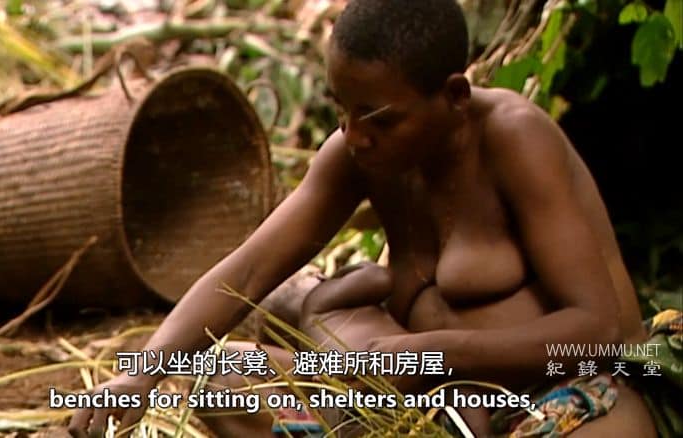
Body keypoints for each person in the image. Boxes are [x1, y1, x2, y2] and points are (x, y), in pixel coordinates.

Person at [69, 0, 657, 436]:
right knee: (225, 382)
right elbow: (246, 273)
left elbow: (599, 331)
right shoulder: (357, 155)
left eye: (379, 119)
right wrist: (140, 373)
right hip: (418, 405)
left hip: (562, 395)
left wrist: (434, 353)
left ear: (455, 96)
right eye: (341, 111)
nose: (355, 136)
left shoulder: (515, 139)